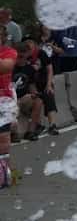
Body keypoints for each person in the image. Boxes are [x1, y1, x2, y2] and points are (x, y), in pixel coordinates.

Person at [11, 42, 43, 141]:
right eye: (18, 57)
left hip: (24, 98)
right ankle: (13, 133)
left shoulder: (29, 69)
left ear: (26, 56)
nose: (20, 60)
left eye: (22, 57)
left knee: (38, 101)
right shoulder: (9, 67)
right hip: (10, 98)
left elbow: (31, 85)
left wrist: (34, 94)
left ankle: (30, 131)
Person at [34, 27, 59, 135]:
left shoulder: (42, 54)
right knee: (35, 98)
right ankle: (37, 124)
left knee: (49, 94)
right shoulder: (23, 55)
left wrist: (49, 84)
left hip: (43, 79)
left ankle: (52, 125)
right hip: (30, 81)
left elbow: (50, 69)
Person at [0, 24, 16, 188]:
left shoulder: (9, 53)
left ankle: (4, 173)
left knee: (3, 140)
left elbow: (5, 67)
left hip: (2, 100)